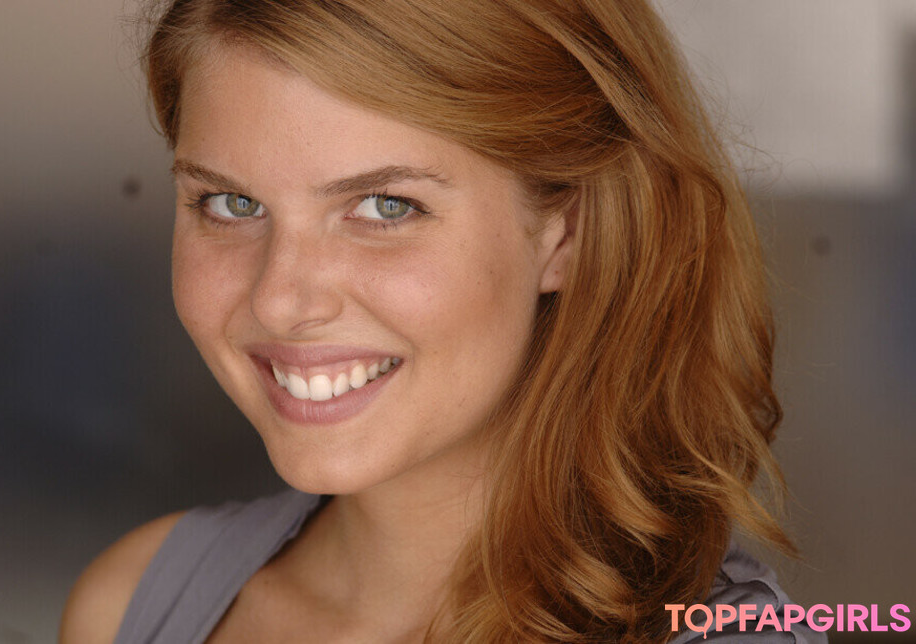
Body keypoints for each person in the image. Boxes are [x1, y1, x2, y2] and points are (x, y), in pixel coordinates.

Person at [61, 1, 825, 642]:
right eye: (231, 203)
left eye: (386, 206)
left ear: (568, 234)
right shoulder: (128, 606)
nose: (280, 300)